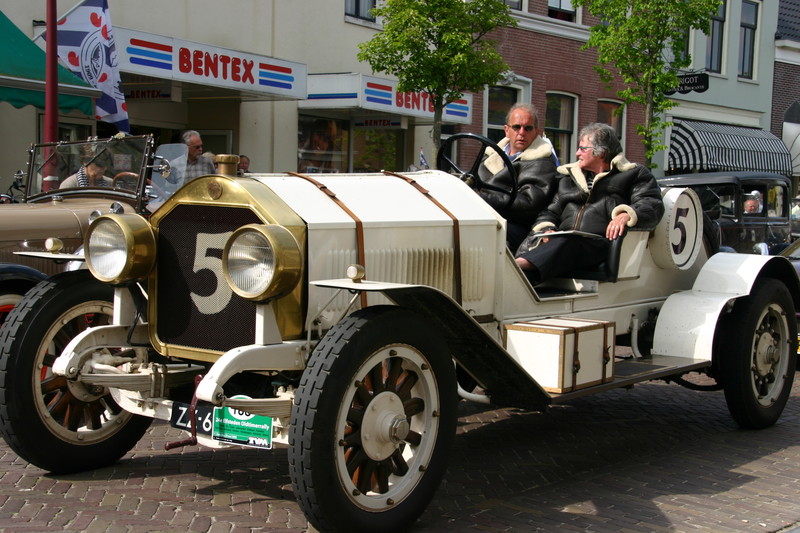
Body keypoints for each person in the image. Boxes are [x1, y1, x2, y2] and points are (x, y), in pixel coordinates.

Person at [515, 123, 664, 285]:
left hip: (597, 244)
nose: (577, 153)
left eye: (582, 149)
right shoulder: (567, 178)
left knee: (570, 241)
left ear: (601, 152)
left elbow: (652, 204)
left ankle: (517, 266)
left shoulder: (634, 174)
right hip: (560, 243)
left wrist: (626, 214)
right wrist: (547, 229)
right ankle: (515, 277)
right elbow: (549, 212)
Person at [476, 103, 559, 251]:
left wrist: (483, 198)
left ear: (537, 132)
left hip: (518, 225)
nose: (522, 132)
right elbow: (474, 181)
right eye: (516, 127)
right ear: (507, 130)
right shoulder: (490, 155)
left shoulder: (543, 161)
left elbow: (529, 204)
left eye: (528, 128)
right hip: (484, 214)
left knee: (478, 229)